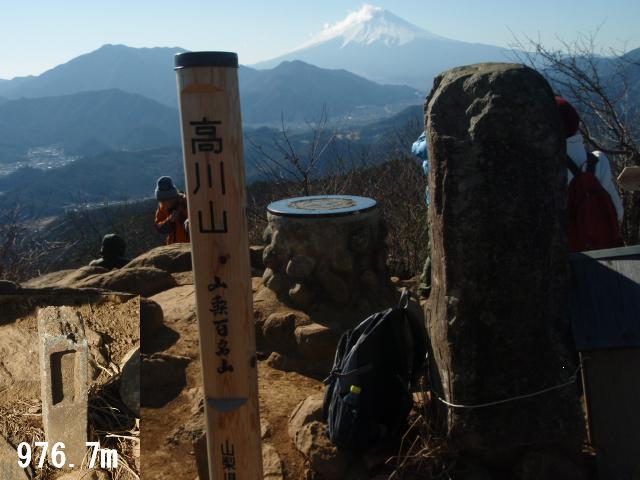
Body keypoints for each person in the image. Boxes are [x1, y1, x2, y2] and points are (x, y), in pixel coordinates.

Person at [556, 96, 624, 250]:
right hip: (603, 255)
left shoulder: (547, 166)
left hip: (566, 258)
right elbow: (618, 213)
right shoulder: (598, 161)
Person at [411, 132, 431, 297]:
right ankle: (426, 283)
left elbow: (420, 149)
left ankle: (426, 285)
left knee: (434, 244)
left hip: (435, 199)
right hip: (433, 197)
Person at [154, 176, 190, 245]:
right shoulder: (162, 208)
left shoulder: (186, 203)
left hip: (189, 245)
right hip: (173, 246)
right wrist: (169, 221)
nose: (165, 203)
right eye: (162, 201)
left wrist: (184, 220)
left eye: (168, 200)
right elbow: (159, 228)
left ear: (174, 197)